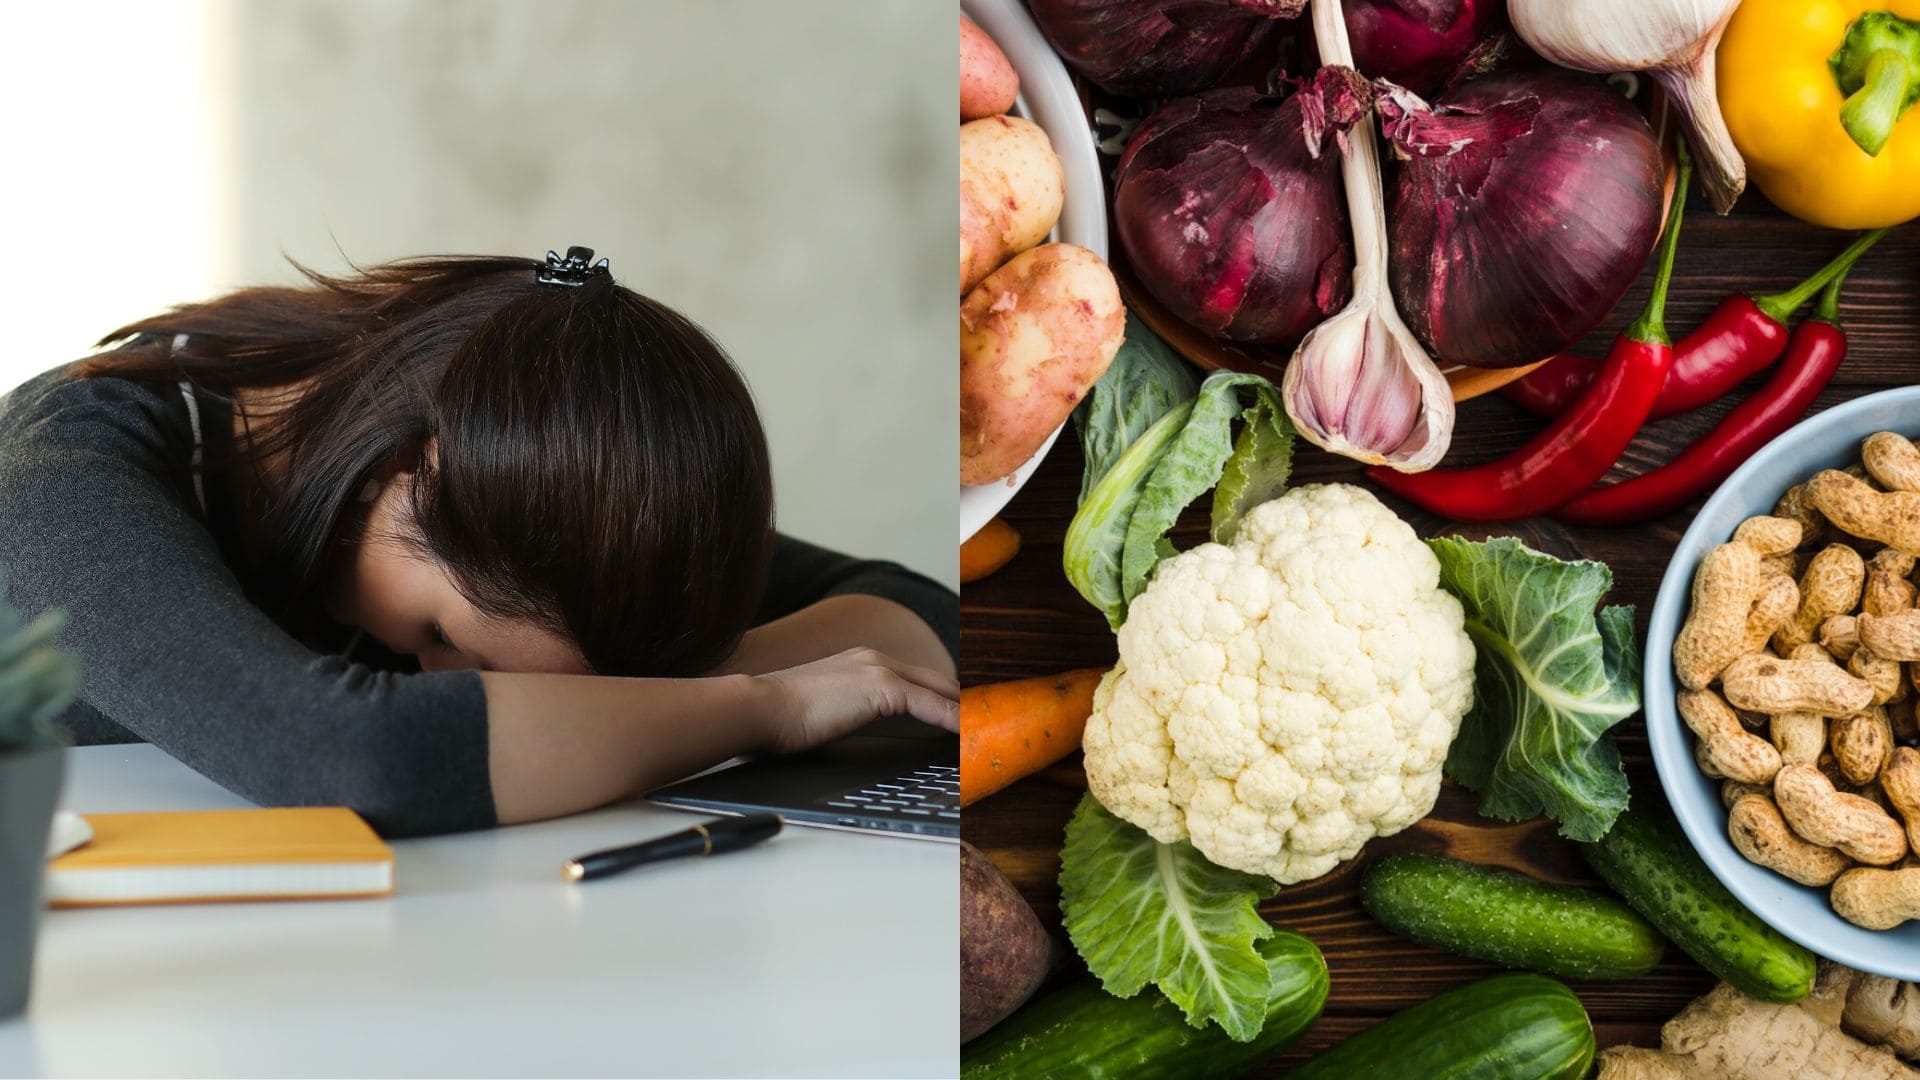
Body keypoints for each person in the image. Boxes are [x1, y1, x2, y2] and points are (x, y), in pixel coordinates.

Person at [0, 246, 958, 836]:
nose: (447, 685)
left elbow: (920, 620)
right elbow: (348, 755)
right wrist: (763, 708)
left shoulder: (522, 499)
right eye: (445, 639)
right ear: (402, 473)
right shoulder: (67, 477)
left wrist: (624, 700)